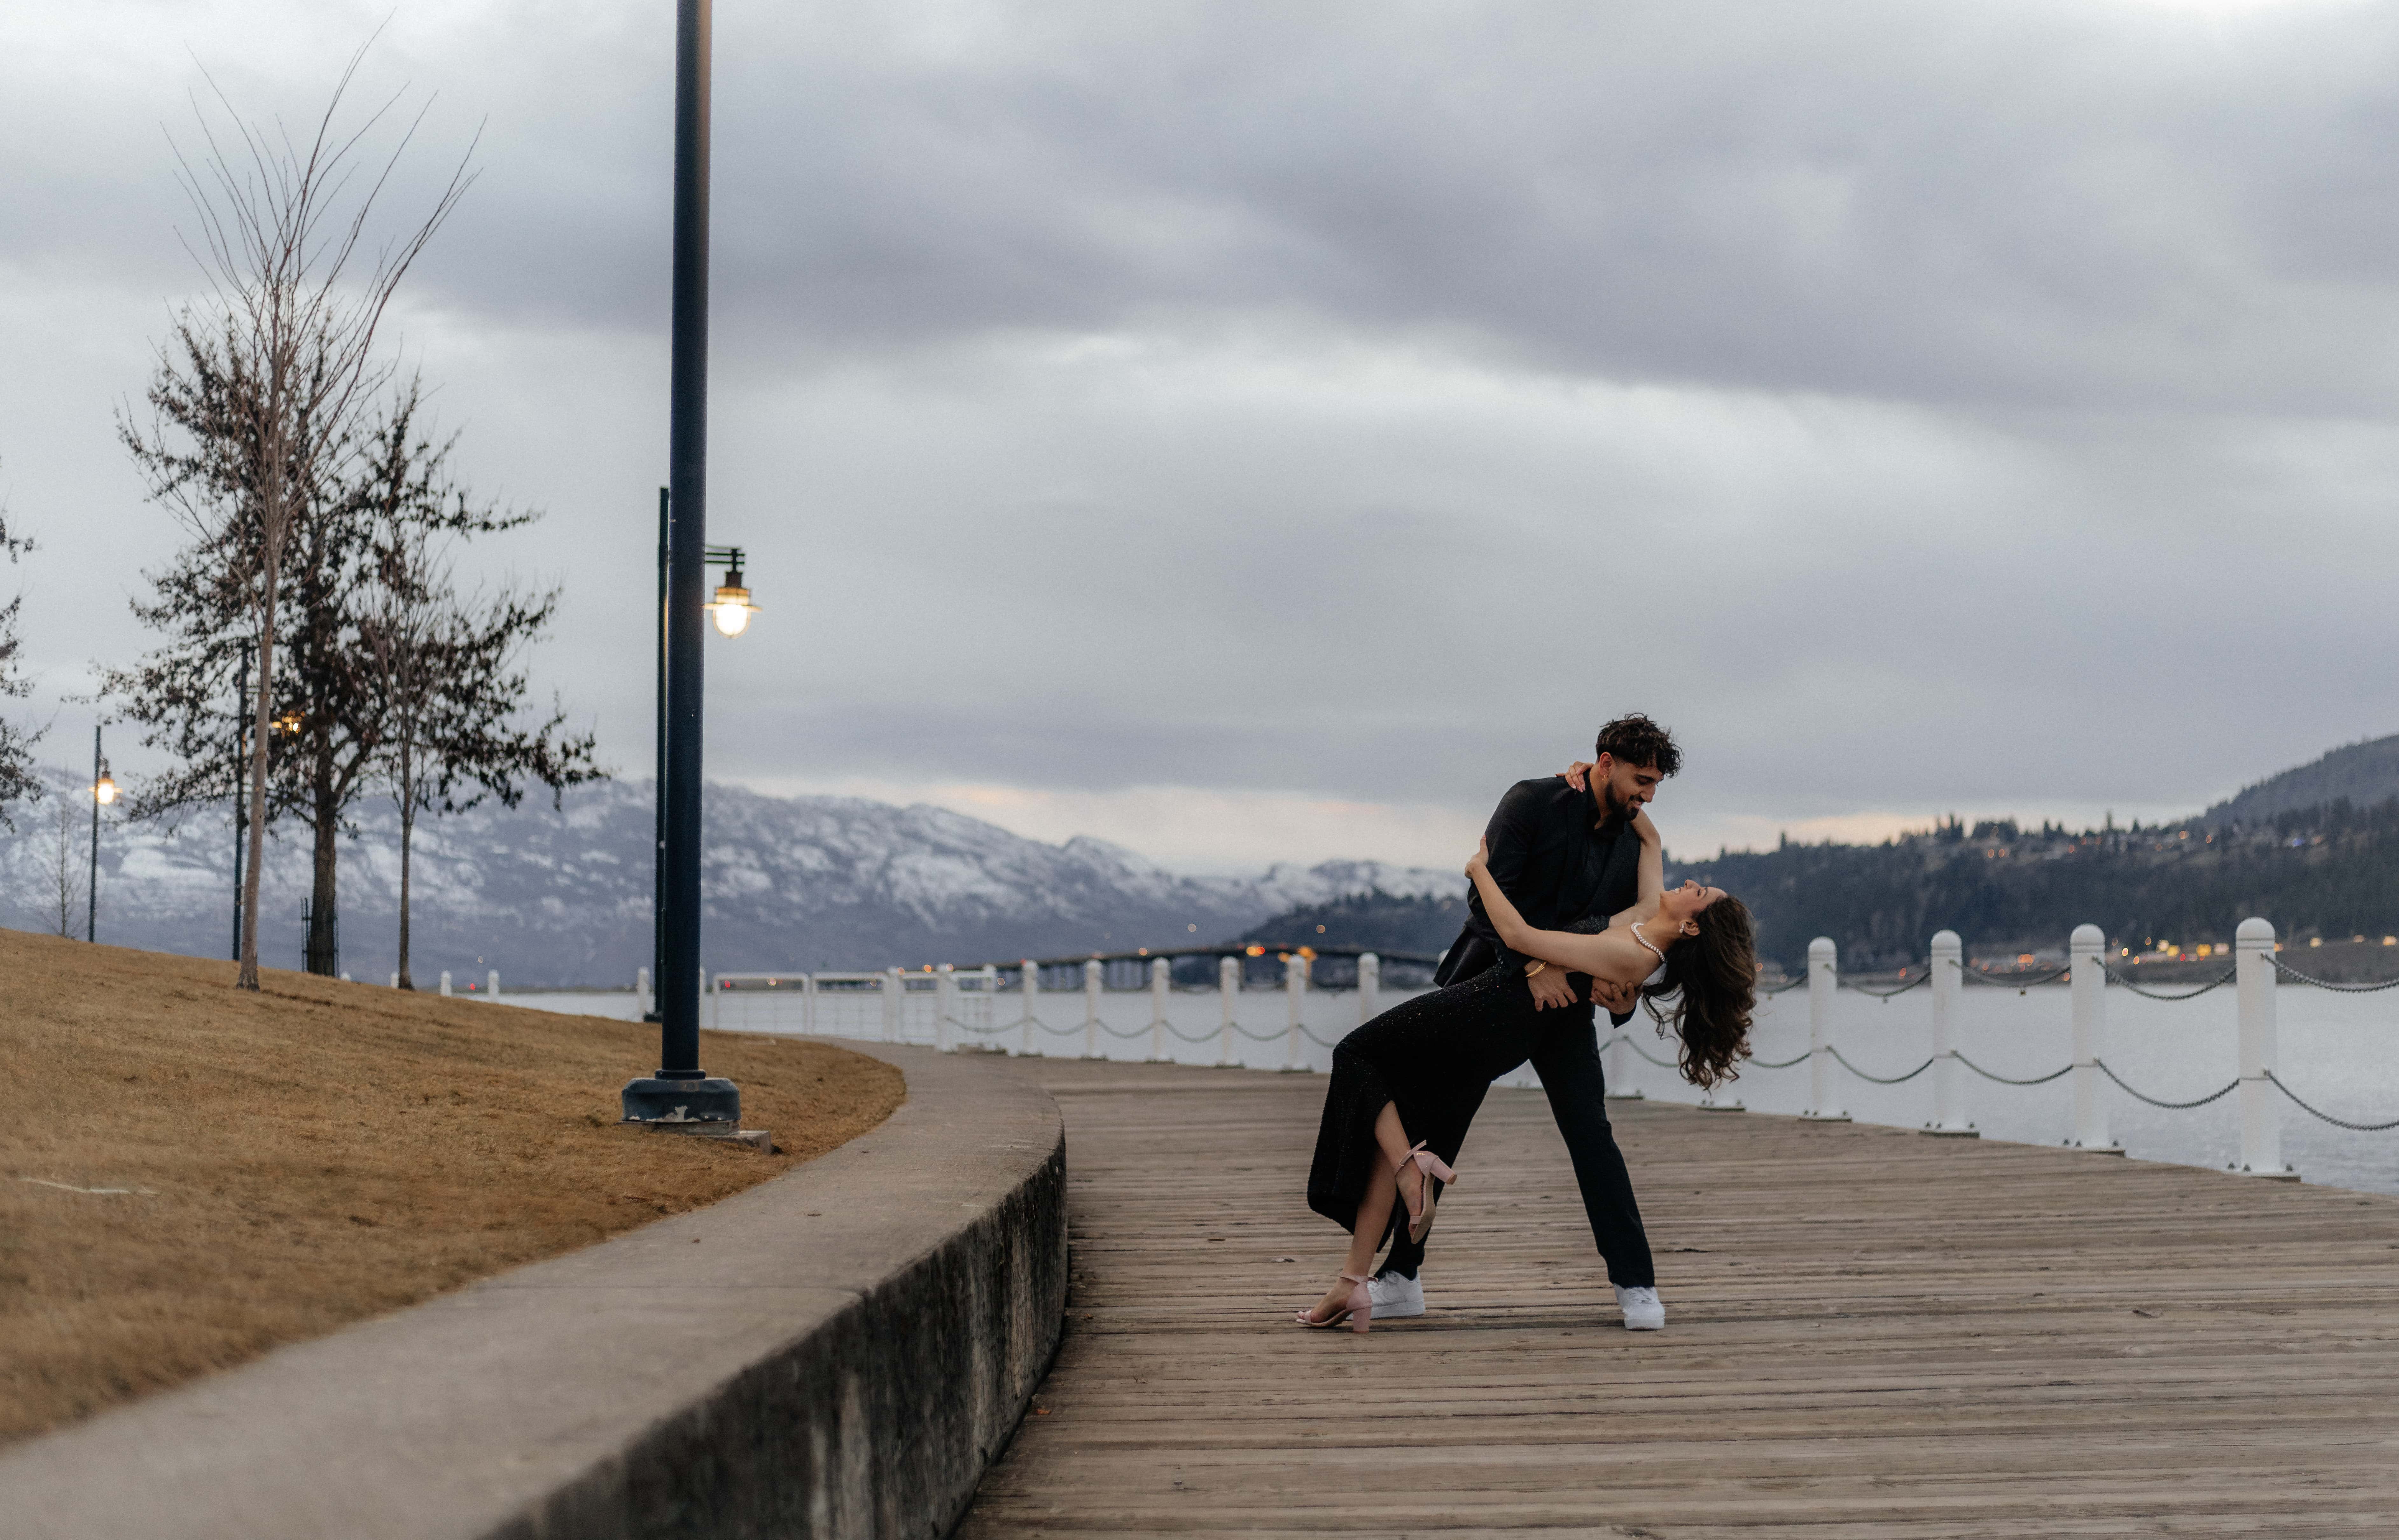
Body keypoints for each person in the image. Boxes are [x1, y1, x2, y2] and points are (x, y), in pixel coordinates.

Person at [1294, 837, 1757, 1334]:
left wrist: (1478, 869)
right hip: (1503, 1005)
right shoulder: (1643, 925)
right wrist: (1637, 821)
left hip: (1491, 1010)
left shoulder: (1630, 948)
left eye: (1700, 891)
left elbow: (1517, 934)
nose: (1689, 882)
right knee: (1407, 1103)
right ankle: (1377, 1270)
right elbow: (1648, 844)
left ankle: (1409, 1169)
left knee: (1355, 1053)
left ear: (1691, 925)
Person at [1376, 715, 1680, 1328]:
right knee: (1438, 1130)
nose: (1646, 794)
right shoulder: (1530, 801)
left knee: (1591, 1134)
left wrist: (1609, 990)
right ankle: (1399, 1276)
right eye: (1639, 779)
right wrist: (1529, 965)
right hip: (1484, 989)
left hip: (1563, 1006)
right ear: (1603, 763)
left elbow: (1624, 930)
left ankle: (1636, 1284)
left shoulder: (1632, 839)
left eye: (1654, 785)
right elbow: (1483, 897)